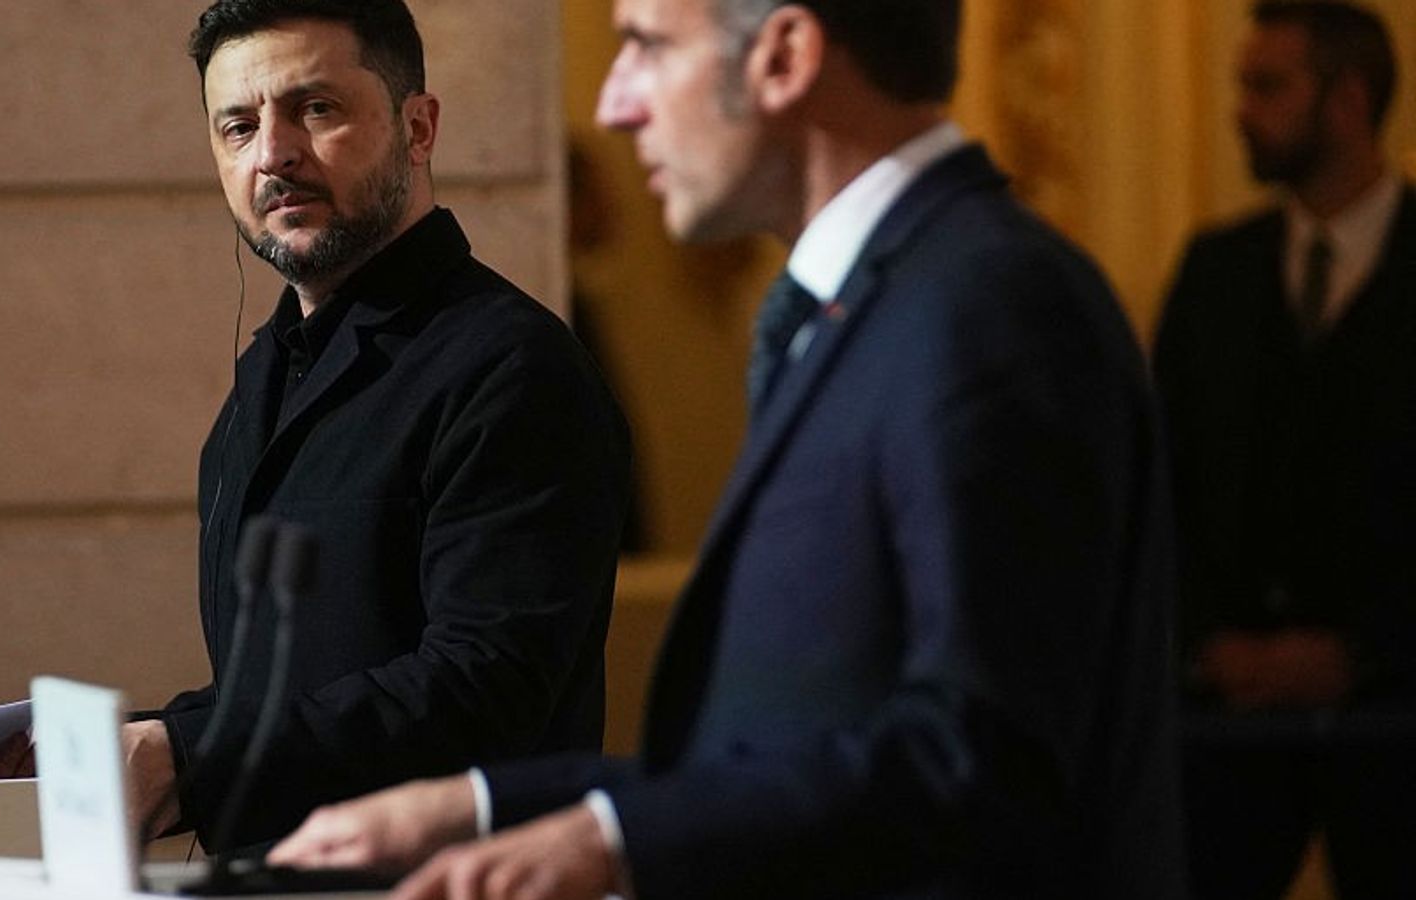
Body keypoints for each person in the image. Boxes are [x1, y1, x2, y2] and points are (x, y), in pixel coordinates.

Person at [265, 0, 1185, 897]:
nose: (616, 104)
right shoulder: (862, 305)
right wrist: (476, 805)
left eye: (648, 46)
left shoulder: (989, 306)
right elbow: (782, 746)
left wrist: (610, 842)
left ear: (783, 57)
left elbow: (982, 754)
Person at [119, 0, 632, 851]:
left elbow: (484, 689)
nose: (274, 154)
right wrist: (119, 752)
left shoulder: (512, 367)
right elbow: (283, 687)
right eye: (238, 127)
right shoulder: (268, 370)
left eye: (315, 109)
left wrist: (188, 756)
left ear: (418, 126)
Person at [1152, 3, 1416, 897]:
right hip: (1222, 727)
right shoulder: (1215, 273)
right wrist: (1206, 649)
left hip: (1400, 722)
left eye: (1268, 86)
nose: (1241, 108)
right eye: (1238, 84)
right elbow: (1163, 483)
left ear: (1346, 100)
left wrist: (1362, 654)